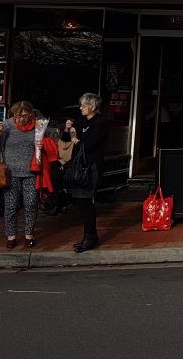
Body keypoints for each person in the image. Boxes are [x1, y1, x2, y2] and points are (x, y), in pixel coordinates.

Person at [0, 101, 40, 249]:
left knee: (31, 203)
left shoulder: (37, 126)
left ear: (30, 115)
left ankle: (29, 235)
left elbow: (46, 143)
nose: (21, 119)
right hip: (11, 172)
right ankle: (11, 236)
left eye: (25, 116)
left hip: (31, 172)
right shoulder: (6, 126)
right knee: (11, 206)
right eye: (18, 116)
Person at [66, 92, 106, 253]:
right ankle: (90, 235)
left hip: (91, 167)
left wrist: (77, 139)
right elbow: (68, 138)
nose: (81, 108)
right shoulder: (81, 120)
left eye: (83, 105)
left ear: (92, 106)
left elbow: (90, 144)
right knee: (81, 201)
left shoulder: (100, 122)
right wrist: (69, 130)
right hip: (78, 166)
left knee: (85, 200)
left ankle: (90, 236)